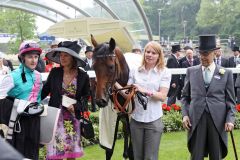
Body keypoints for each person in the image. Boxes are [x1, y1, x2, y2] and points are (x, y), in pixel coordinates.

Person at [181, 35, 235, 160]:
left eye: (205, 54)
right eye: (200, 53)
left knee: (216, 156)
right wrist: (185, 115)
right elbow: (185, 97)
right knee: (196, 156)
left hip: (217, 120)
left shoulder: (226, 73)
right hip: (196, 119)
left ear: (214, 53)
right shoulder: (191, 71)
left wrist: (230, 120)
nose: (202, 57)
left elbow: (231, 101)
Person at [41, 41, 90, 160]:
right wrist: (31, 103)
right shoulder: (55, 73)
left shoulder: (83, 76)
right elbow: (44, 91)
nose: (62, 58)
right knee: (56, 154)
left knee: (70, 153)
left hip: (72, 119)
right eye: (61, 55)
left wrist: (76, 106)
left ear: (73, 57)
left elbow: (85, 98)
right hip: (56, 118)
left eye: (66, 55)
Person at [127, 41, 171, 160]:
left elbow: (162, 96)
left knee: (150, 157)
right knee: (137, 157)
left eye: (153, 53)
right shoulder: (135, 70)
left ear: (159, 56)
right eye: (147, 51)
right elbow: (127, 92)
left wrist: (144, 90)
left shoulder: (164, 72)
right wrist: (113, 83)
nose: (149, 55)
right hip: (136, 119)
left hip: (154, 120)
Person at [0, 40, 43, 159]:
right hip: (17, 123)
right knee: (18, 154)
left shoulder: (39, 76)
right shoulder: (12, 76)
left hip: (34, 121)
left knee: (33, 154)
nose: (34, 60)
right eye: (30, 57)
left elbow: (38, 99)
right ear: (22, 58)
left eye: (36, 57)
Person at [84, 46, 97, 112]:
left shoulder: (96, 61)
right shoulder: (83, 61)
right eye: (88, 53)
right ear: (86, 54)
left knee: (93, 96)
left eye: (91, 53)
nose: (90, 54)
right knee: (85, 96)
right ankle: (85, 109)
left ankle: (94, 109)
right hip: (85, 81)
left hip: (94, 81)